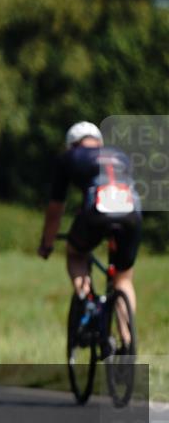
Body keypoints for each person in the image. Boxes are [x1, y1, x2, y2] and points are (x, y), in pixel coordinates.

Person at [37, 122, 142, 358]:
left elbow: (55, 209)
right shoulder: (120, 154)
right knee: (123, 278)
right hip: (131, 213)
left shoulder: (70, 156)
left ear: (72, 144)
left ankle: (87, 299)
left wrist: (47, 243)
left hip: (97, 212)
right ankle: (127, 341)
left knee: (75, 253)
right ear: (99, 141)